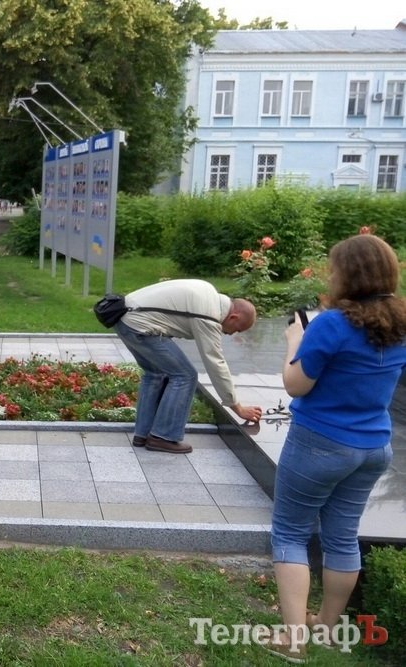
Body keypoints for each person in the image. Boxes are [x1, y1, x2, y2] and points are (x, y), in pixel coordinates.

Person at [263, 234, 406, 662]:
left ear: (347, 273)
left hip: (320, 443)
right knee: (342, 537)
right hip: (374, 447)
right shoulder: (401, 321)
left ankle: (293, 641)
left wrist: (294, 342)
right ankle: (325, 628)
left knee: (289, 533)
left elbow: (295, 384)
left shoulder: (331, 323)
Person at [114, 279, 263, 453]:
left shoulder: (209, 293)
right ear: (233, 317)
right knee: (185, 375)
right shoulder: (209, 315)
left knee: (155, 373)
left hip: (125, 319)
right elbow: (216, 363)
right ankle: (163, 437)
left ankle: (143, 434)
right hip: (140, 325)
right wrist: (237, 407)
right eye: (236, 329)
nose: (230, 334)